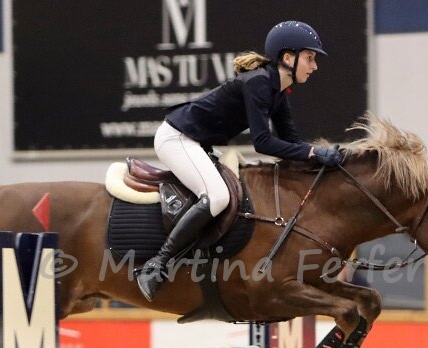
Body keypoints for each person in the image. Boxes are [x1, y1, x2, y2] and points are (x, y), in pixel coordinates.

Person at [135, 20, 343, 302]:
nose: (314, 66)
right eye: (310, 58)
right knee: (218, 197)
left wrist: (322, 159)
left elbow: (291, 142)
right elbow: (263, 142)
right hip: (176, 138)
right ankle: (156, 265)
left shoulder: (278, 92)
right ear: (288, 58)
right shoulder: (259, 83)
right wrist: (313, 153)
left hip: (197, 143)